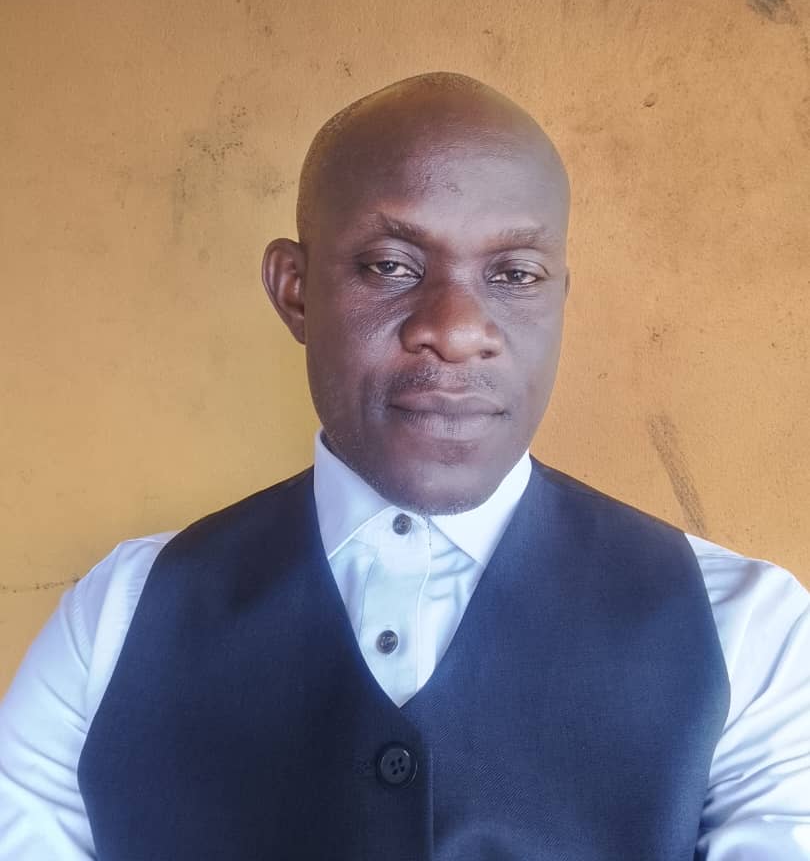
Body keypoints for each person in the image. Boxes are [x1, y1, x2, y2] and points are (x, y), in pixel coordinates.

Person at [0, 72, 808, 859]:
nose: (454, 330)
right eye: (391, 265)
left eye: (515, 275)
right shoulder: (116, 620)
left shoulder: (746, 632)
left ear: (559, 296)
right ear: (295, 290)